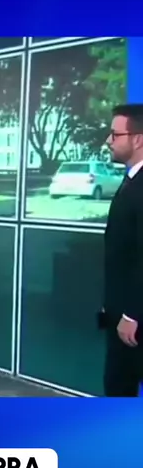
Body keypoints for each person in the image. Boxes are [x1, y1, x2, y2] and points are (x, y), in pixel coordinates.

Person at [101, 103, 143, 396]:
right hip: (121, 311)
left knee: (119, 385)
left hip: (134, 320)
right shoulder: (131, 180)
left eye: (115, 134)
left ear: (138, 139)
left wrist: (132, 314)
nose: (108, 140)